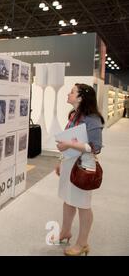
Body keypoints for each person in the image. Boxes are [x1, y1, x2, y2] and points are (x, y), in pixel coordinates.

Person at [54, 83, 104, 256]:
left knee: (83, 204)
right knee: (68, 200)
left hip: (83, 166)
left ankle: (82, 243)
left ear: (81, 97)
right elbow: (70, 139)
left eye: (72, 92)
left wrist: (68, 144)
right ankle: (65, 232)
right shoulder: (74, 115)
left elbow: (96, 147)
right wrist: (61, 160)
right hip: (69, 164)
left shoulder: (92, 119)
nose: (69, 94)